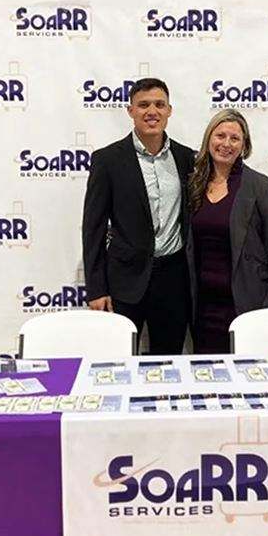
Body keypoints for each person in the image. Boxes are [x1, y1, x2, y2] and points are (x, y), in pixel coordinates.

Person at [81, 78, 196, 355]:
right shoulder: (107, 160)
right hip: (124, 281)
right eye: (143, 105)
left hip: (174, 278)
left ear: (169, 110)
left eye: (159, 104)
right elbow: (93, 228)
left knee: (169, 361)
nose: (152, 111)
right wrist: (96, 289)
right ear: (130, 111)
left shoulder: (186, 158)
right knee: (118, 360)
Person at [187, 109, 268, 354]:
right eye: (220, 135)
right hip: (202, 307)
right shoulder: (194, 184)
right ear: (209, 139)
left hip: (245, 304)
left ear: (244, 145)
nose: (226, 144)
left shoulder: (261, 187)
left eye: (235, 138)